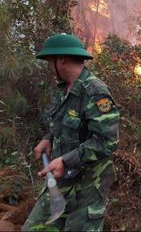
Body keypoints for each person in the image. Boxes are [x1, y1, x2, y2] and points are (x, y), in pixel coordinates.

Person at [22, 34, 120, 231]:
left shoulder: (94, 91)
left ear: (62, 59)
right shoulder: (64, 89)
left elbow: (107, 141)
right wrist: (48, 139)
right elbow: (63, 124)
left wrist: (66, 160)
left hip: (87, 188)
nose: (50, 68)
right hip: (60, 183)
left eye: (51, 62)